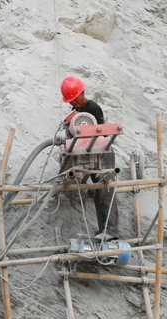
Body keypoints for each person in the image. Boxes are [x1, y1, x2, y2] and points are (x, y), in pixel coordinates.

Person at [61, 76, 120, 238]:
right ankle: (103, 231)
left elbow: (100, 134)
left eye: (75, 99)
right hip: (87, 152)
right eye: (71, 101)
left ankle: (110, 231)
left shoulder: (93, 109)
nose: (74, 103)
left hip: (102, 151)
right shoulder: (77, 112)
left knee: (105, 188)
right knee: (97, 189)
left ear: (83, 93)